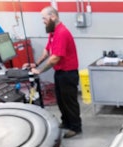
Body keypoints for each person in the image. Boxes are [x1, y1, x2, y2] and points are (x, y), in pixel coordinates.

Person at [25, 6, 82, 139]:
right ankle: (66, 122)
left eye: (44, 18)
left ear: (53, 17)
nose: (43, 21)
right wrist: (36, 63)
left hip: (68, 74)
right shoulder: (53, 32)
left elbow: (55, 58)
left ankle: (75, 127)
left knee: (69, 101)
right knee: (61, 100)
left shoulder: (62, 32)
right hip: (60, 73)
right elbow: (47, 51)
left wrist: (39, 71)